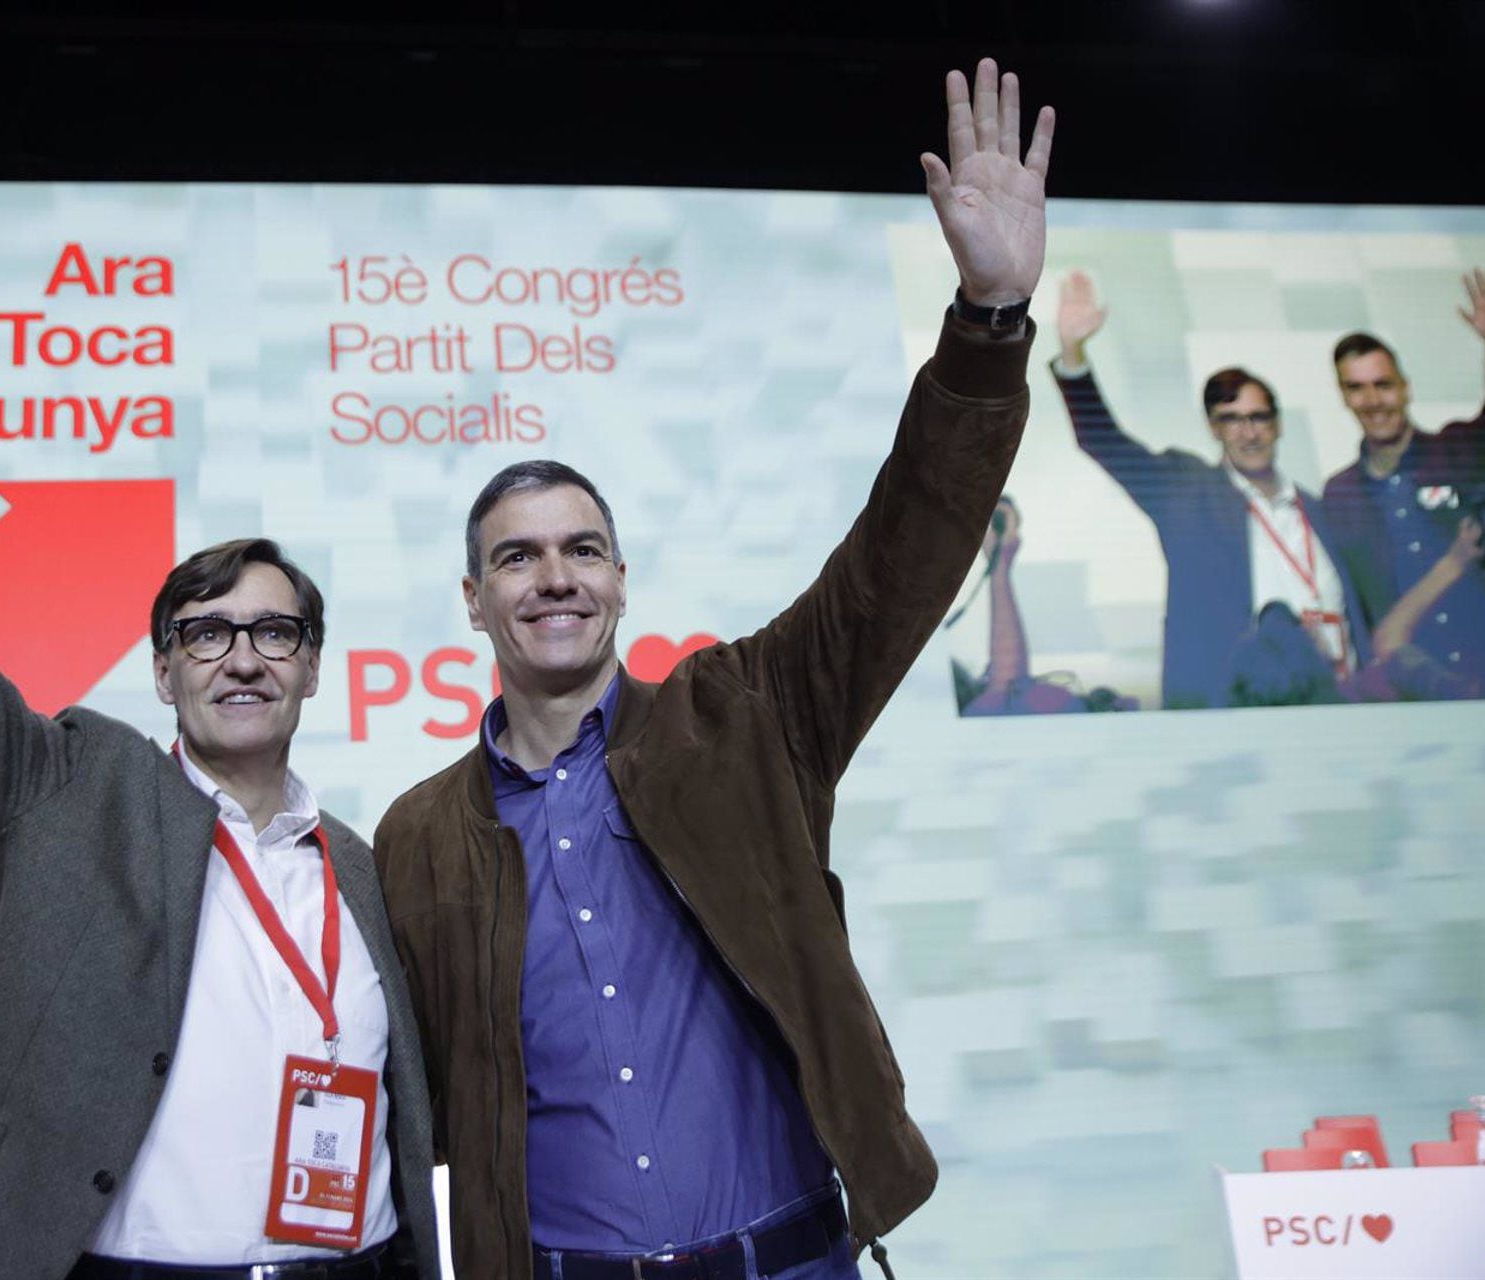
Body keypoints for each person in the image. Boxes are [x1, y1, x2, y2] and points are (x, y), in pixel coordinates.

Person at [373, 59, 1049, 1280]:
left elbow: (905, 545)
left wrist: (988, 323)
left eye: (584, 548)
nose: (555, 577)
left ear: (624, 579)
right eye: (516, 559)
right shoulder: (419, 834)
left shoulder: (744, 718)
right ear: (472, 602)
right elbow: (383, 1076)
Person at [0, 193, 439, 1280]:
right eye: (206, 632)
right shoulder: (65, 792)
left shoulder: (362, 870)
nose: (243, 655)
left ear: (314, 665)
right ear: (163, 668)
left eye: (275, 630)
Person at [1051, 268, 1370, 709]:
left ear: (1277, 424)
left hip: (1337, 699)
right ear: (1213, 428)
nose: (1248, 432)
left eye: (1258, 417)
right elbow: (1104, 442)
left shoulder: (1319, 509)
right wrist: (1073, 354)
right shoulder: (1185, 491)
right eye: (1231, 419)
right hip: (1235, 707)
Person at [1318, 270, 1485, 699]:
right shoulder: (1340, 495)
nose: (1373, 400)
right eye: (1357, 388)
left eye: (1383, 385)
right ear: (1343, 396)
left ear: (1405, 389)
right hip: (1409, 693)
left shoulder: (1459, 452)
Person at [955, 497, 1137, 714]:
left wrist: (998, 565)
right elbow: (1009, 692)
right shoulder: (983, 711)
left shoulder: (982, 711)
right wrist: (999, 566)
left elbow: (1008, 692)